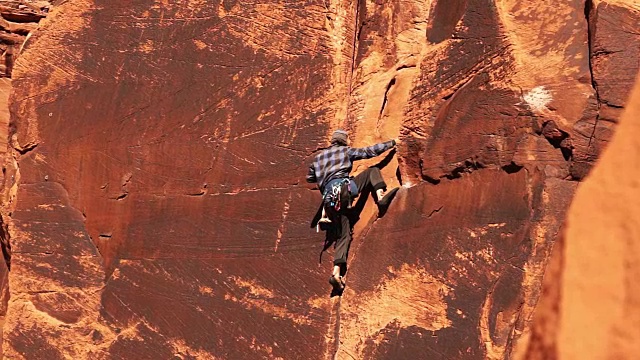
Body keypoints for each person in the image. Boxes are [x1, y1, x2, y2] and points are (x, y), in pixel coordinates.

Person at [306, 129, 399, 292]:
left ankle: (336, 273)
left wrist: (323, 174)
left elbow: (310, 178)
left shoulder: (318, 159)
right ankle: (380, 196)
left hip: (329, 202)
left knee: (343, 235)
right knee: (372, 171)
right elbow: (369, 152)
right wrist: (391, 143)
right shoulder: (345, 151)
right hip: (344, 189)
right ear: (343, 140)